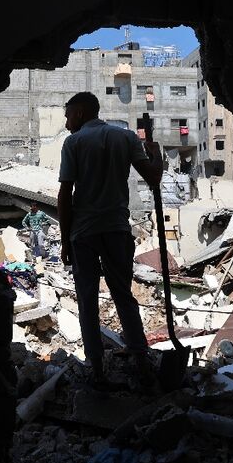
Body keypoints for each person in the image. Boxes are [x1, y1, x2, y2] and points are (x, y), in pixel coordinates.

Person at [57, 91, 163, 388]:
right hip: (118, 230)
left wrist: (66, 240)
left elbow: (66, 194)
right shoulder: (126, 138)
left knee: (87, 301)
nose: (66, 123)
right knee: (123, 296)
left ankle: (97, 371)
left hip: (84, 234)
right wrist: (156, 154)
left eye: (67, 115)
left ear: (79, 113)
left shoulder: (74, 143)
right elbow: (153, 176)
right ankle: (142, 361)